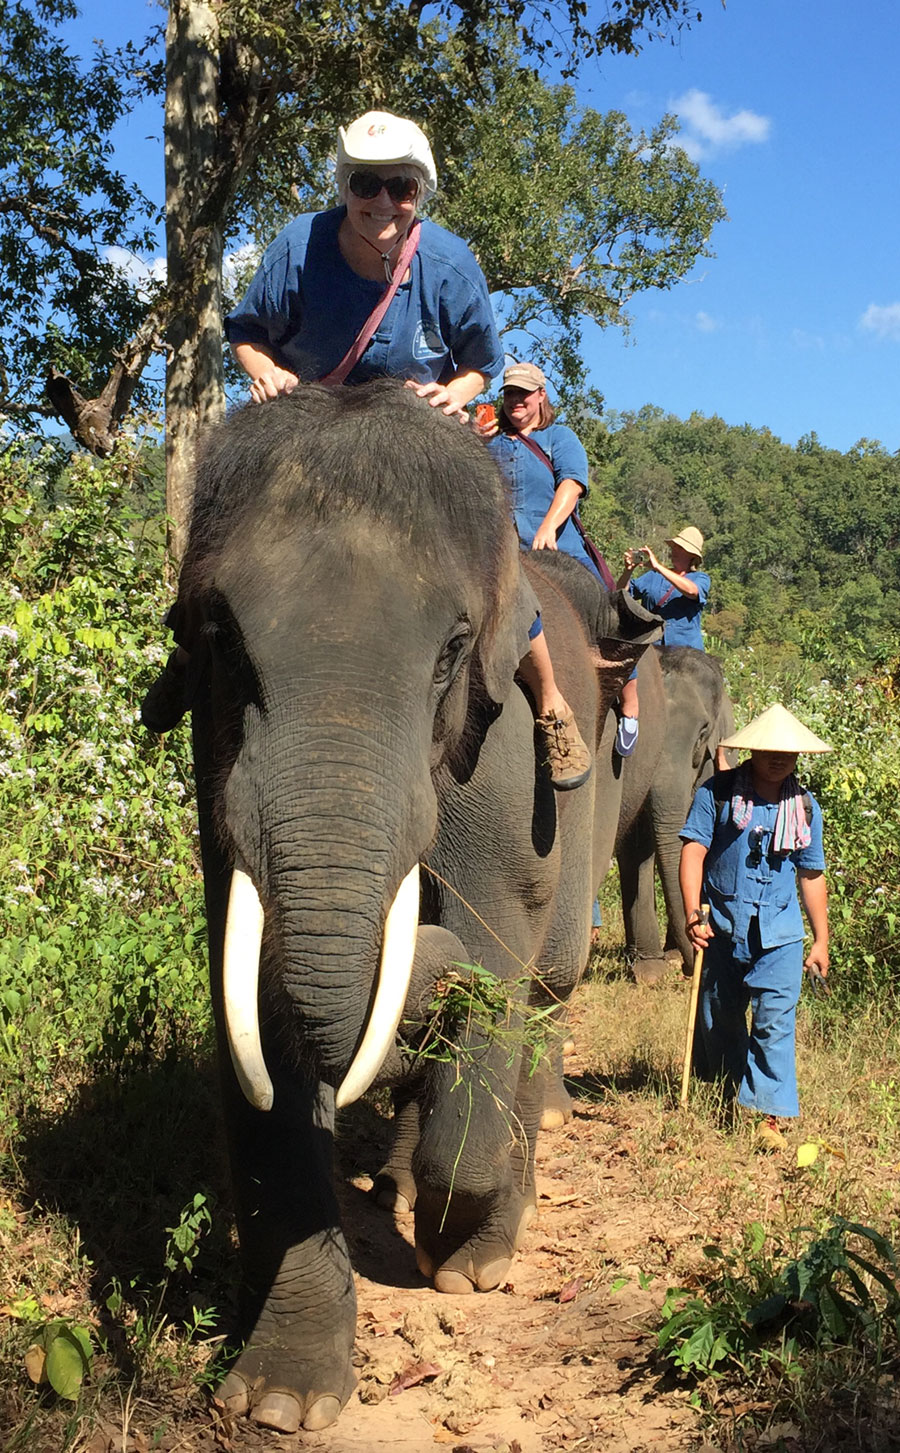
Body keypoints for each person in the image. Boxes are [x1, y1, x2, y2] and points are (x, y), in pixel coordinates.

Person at [142, 114, 591, 790]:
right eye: (365, 184)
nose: (381, 203)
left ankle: (551, 700)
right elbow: (245, 333)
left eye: (400, 188)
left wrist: (454, 393)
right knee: (219, 500)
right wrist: (261, 368)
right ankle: (188, 645)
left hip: (409, 438)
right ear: (343, 184)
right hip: (310, 430)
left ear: (421, 191)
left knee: (494, 537)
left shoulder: (447, 264)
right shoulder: (300, 246)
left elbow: (481, 363)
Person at [679, 704, 832, 1151]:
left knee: (774, 1024)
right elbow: (693, 852)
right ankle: (727, 1095)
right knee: (719, 1017)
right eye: (769, 749)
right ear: (753, 749)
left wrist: (821, 939)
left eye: (787, 751)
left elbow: (811, 873)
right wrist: (693, 912)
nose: (778, 758)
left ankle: (770, 1119)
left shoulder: (804, 808)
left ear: (798, 756)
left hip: (780, 935)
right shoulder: (718, 795)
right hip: (722, 928)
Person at [615, 526, 710, 759]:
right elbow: (621, 593)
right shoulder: (652, 578)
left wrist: (658, 566)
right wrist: (628, 571)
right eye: (674, 548)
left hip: (686, 656)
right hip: (652, 650)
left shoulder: (700, 578)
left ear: (691, 556)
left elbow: (691, 591)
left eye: (680, 549)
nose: (674, 552)